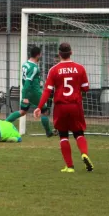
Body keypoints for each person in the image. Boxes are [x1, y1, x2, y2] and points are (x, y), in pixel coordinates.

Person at [34, 43, 94, 173]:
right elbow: (86, 88)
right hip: (75, 105)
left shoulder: (54, 70)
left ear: (59, 54)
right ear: (71, 52)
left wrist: (39, 107)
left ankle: (70, 166)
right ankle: (84, 154)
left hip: (61, 106)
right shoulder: (80, 68)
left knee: (63, 135)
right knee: (78, 133)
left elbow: (47, 91)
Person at [6, 46, 55, 137]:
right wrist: (24, 96)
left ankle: (5, 123)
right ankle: (48, 132)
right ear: (38, 55)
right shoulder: (34, 67)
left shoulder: (25, 64)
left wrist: (25, 94)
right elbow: (28, 82)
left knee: (23, 111)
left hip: (27, 91)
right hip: (33, 92)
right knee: (44, 111)